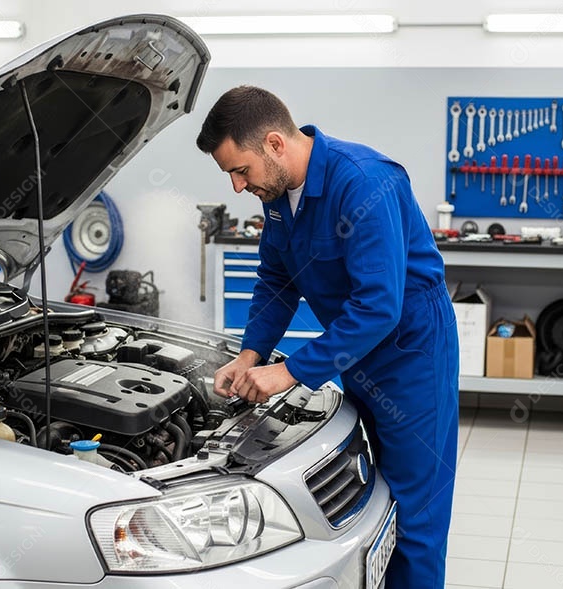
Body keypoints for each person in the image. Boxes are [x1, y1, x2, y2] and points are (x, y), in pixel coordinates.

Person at [195, 85, 459, 588]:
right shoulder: (278, 195)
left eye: (240, 170)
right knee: (372, 500)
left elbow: (379, 307)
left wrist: (290, 371)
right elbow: (277, 280)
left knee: (416, 518)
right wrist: (251, 353)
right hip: (356, 353)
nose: (235, 186)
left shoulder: (363, 183)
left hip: (411, 357)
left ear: (275, 143)